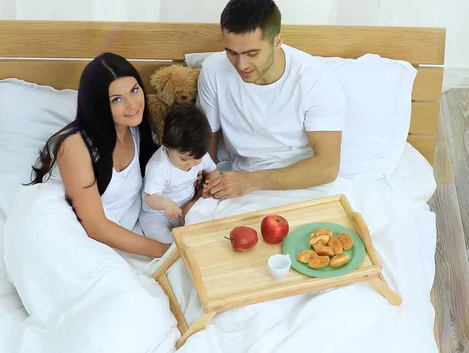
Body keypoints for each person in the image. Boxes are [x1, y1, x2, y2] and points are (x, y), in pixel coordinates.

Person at [199, 0, 347, 200]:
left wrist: (251, 181)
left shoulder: (316, 80)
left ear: (277, 41)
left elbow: (327, 167)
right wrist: (203, 184)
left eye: (252, 53)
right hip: (238, 181)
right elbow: (209, 138)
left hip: (303, 181)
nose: (241, 65)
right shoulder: (213, 70)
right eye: (232, 53)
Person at [28, 52, 172, 259]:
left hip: (119, 234)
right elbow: (95, 227)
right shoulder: (76, 146)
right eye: (116, 100)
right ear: (98, 105)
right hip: (75, 233)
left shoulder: (136, 129)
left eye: (134, 90)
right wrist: (163, 251)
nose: (132, 104)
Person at [139, 103, 221, 243]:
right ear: (167, 146)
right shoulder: (159, 166)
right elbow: (150, 197)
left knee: (207, 225)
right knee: (163, 239)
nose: (191, 164)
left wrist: (210, 185)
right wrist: (166, 204)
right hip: (157, 213)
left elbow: (213, 171)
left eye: (197, 159)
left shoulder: (197, 154)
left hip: (188, 205)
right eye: (184, 159)